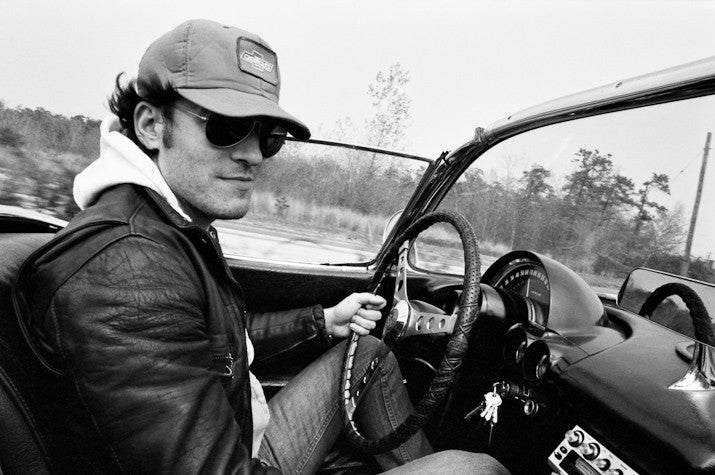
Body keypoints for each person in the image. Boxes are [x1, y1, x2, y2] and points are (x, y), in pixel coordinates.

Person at [13, 19, 509, 474]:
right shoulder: (127, 269)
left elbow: (215, 342)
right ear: (150, 125)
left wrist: (323, 321)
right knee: (477, 470)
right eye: (225, 128)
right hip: (238, 454)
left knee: (369, 355)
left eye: (266, 136)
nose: (252, 154)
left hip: (240, 430)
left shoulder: (169, 226)